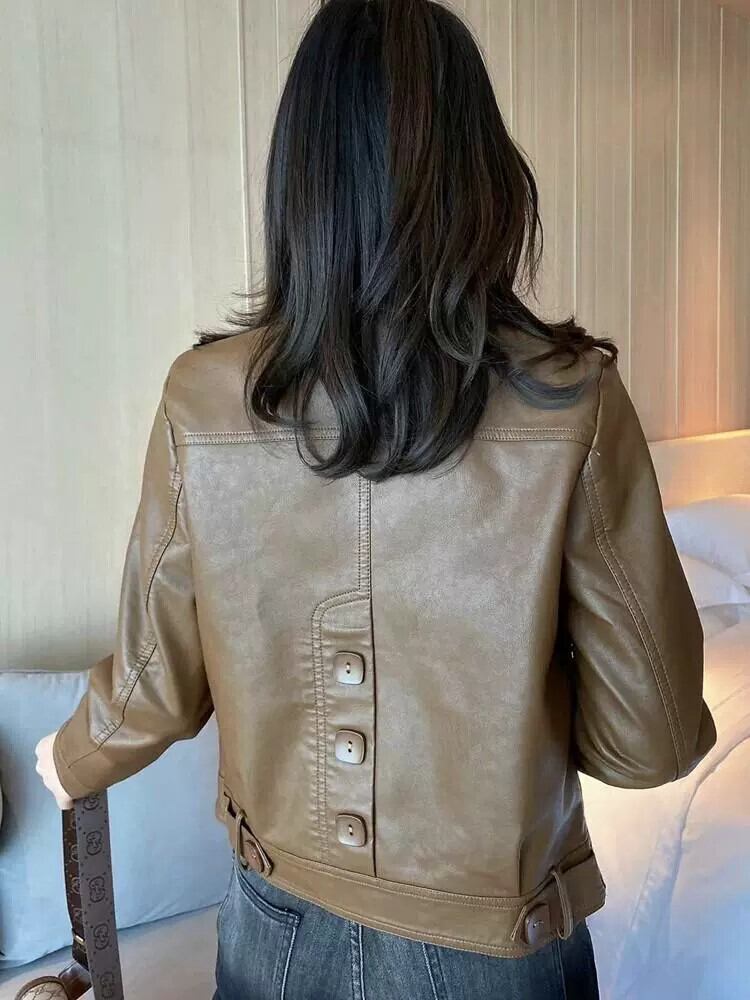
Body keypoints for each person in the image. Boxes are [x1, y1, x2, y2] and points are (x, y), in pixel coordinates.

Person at [35, 1, 717, 997]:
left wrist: (67, 758)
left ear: (300, 179)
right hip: (493, 940)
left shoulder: (203, 399)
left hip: (276, 925)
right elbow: (651, 738)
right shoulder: (570, 401)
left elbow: (155, 685)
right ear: (483, 175)